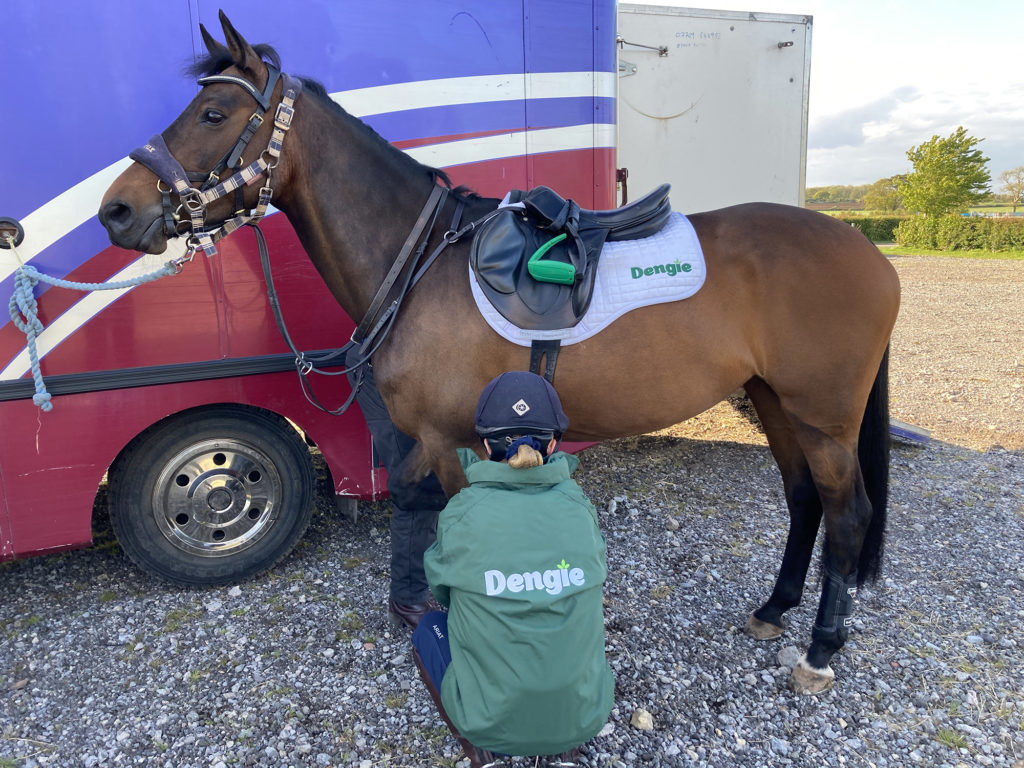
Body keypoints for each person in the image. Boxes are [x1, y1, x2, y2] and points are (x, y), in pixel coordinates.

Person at [411, 371, 614, 768]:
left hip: (485, 721)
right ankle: (564, 749)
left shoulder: (462, 512)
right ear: (553, 443)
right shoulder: (579, 507)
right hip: (584, 717)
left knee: (428, 627)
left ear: (485, 445)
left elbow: (443, 591)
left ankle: (483, 755)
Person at [346, 349, 448, 630]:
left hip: (408, 370)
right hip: (386, 372)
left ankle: (425, 583)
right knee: (417, 490)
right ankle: (407, 599)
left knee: (435, 483)